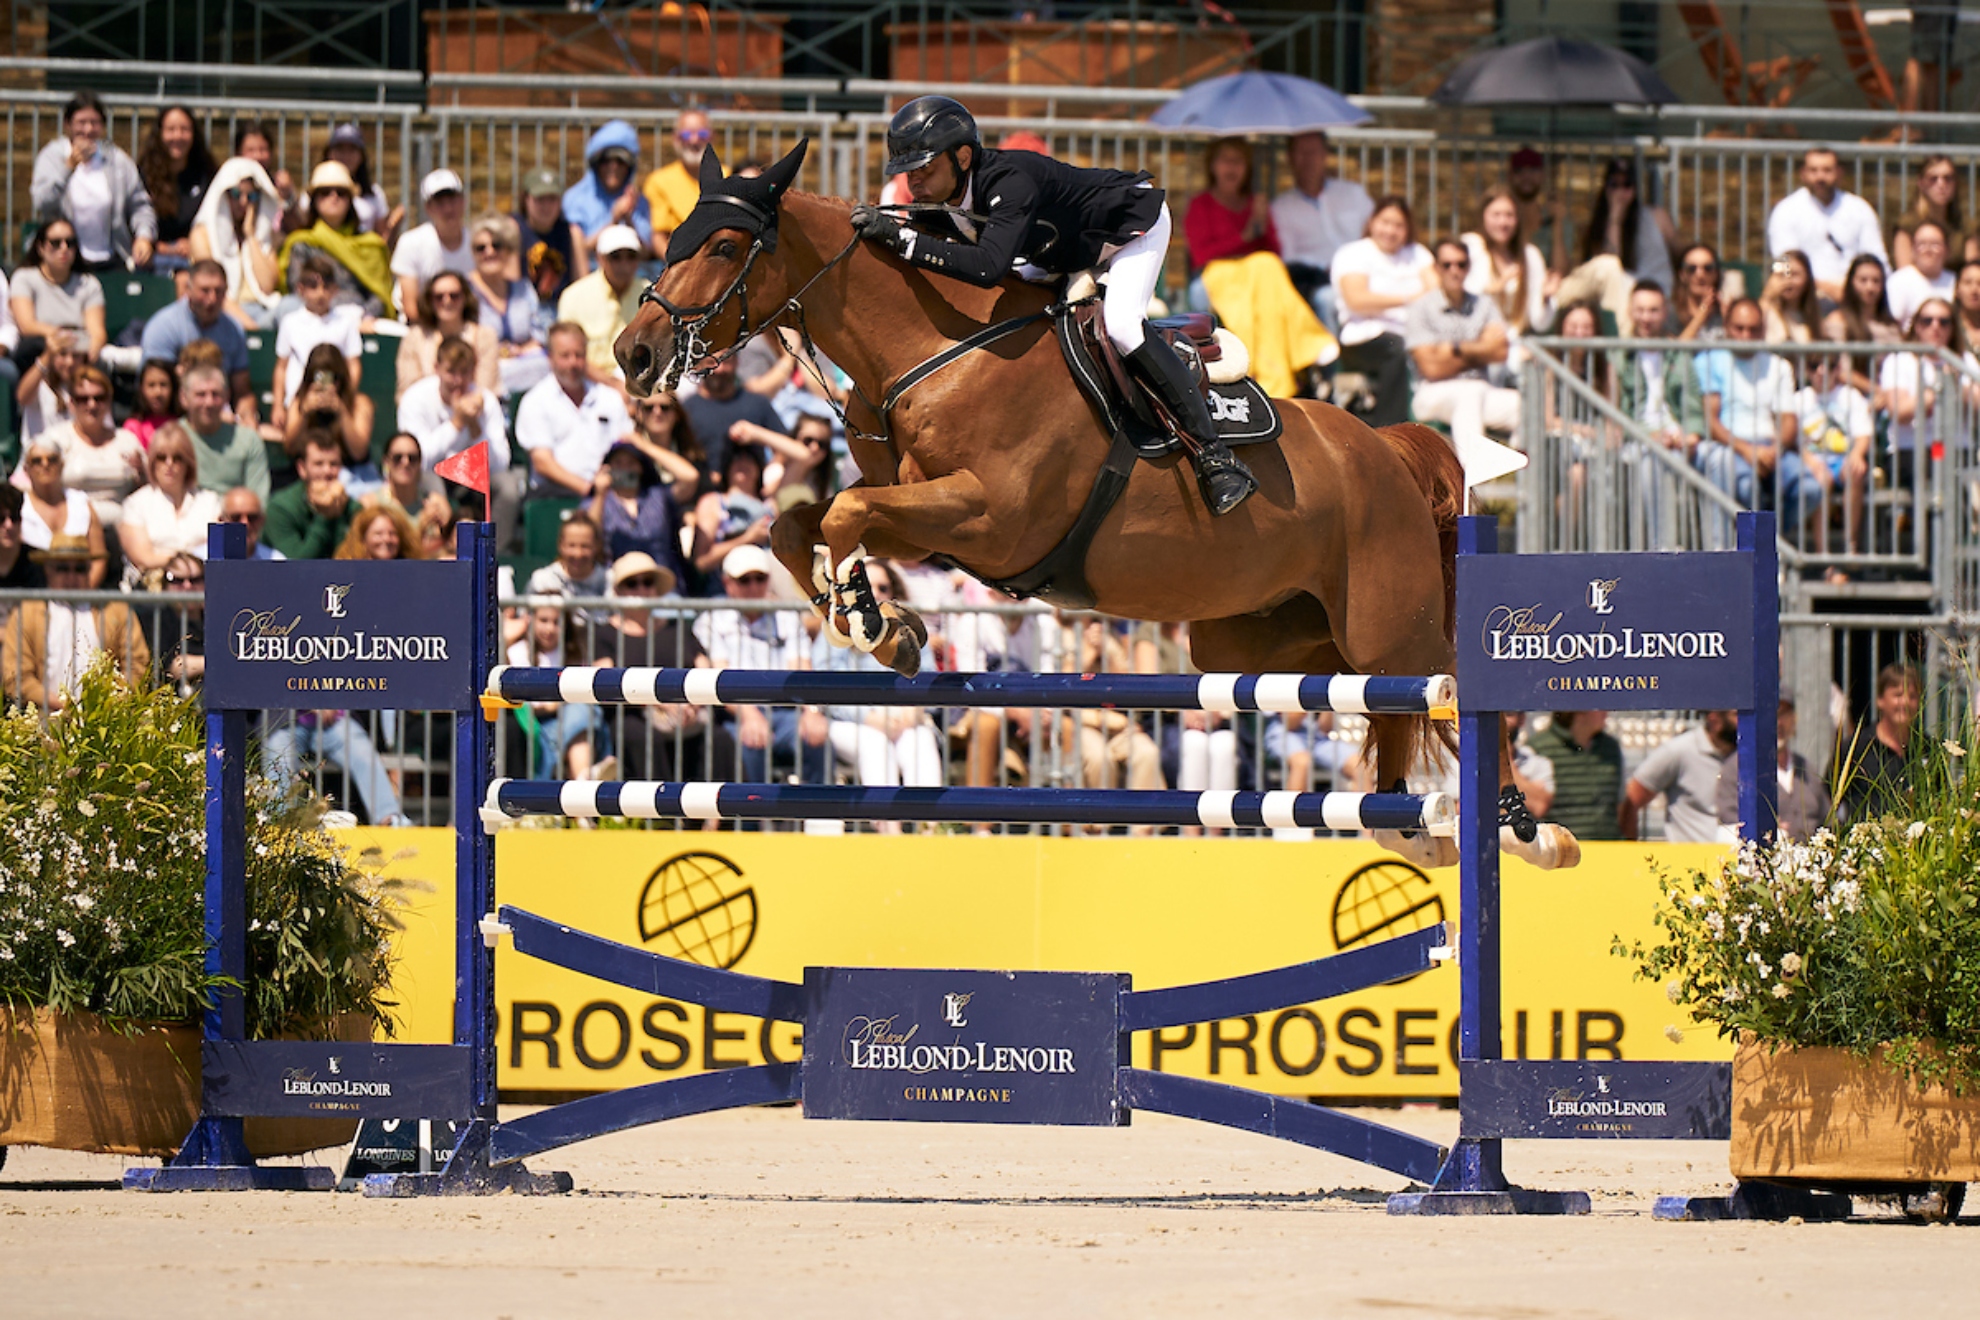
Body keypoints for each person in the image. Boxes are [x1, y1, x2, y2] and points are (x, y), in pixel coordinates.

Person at [848, 95, 1255, 514]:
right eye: (907, 173)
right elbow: (930, 236)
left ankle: (1216, 457)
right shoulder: (953, 195)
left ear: (963, 156)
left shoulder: (1009, 181)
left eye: (925, 170)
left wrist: (902, 239)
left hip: (1130, 228)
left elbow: (988, 267)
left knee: (1122, 327)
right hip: (1063, 248)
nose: (914, 183)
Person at [1182, 137, 1337, 399]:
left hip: (1258, 276)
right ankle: (1306, 344)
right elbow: (1201, 253)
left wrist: (1262, 224)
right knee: (1264, 267)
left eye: (1238, 161)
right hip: (1219, 273)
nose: (1231, 168)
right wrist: (1244, 235)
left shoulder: (1255, 204)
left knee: (1268, 265)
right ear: (1213, 165)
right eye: (1225, 160)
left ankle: (1277, 363)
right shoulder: (1201, 205)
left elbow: (1273, 251)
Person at [695, 543, 828, 784]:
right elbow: (719, 675)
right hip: (736, 712)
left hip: (786, 711)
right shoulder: (712, 619)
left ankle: (821, 819)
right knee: (750, 742)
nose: (754, 586)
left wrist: (813, 711)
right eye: (745, 580)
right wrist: (749, 714)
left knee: (817, 736)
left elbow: (802, 668)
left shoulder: (787, 617)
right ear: (727, 583)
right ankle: (753, 821)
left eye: (760, 578)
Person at [591, 552, 729, 783]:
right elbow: (607, 682)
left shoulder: (677, 628)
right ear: (618, 591)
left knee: (721, 737)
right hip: (633, 713)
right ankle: (663, 816)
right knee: (642, 737)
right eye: (631, 583)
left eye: (648, 582)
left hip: (687, 711)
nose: (641, 589)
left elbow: (704, 669)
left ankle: (721, 816)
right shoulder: (604, 634)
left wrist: (691, 701)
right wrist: (660, 701)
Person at [815, 559, 943, 797]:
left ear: (894, 592)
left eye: (882, 588)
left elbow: (928, 681)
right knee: (873, 741)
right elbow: (826, 689)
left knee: (920, 739)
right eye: (866, 586)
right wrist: (869, 717)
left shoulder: (909, 629)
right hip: (850, 722)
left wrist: (914, 710)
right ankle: (887, 829)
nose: (873, 593)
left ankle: (929, 828)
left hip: (902, 718)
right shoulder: (838, 628)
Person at [1694, 298, 1820, 526]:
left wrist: (1773, 450)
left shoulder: (1779, 365)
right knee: (1746, 486)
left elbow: (1788, 421)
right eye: (1739, 328)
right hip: (1730, 446)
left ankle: (1771, 545)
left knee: (1809, 489)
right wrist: (1747, 450)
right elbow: (1711, 421)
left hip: (1771, 447)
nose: (1746, 336)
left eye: (1753, 329)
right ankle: (1759, 551)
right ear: (1726, 327)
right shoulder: (1710, 361)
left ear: (1763, 330)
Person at [1405, 239, 1522, 468]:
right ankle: (1471, 489)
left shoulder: (1484, 304)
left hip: (1481, 391)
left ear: (1468, 267)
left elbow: (1500, 351)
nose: (1454, 271)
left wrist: (1454, 349)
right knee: (1468, 395)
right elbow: (1431, 368)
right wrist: (1480, 348)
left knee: (1525, 405)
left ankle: (1523, 479)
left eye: (1460, 264)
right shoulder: (1421, 308)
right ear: (1437, 268)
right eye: (1447, 264)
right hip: (1430, 393)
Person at [0, 534, 149, 711]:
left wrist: (106, 702)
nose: (71, 576)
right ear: (48, 569)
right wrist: (59, 704)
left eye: (79, 569)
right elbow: (15, 675)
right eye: (62, 568)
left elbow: (137, 664)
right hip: (44, 720)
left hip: (105, 721)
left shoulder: (115, 610)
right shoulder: (26, 614)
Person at [1329, 195, 1435, 428]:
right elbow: (1357, 300)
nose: (1391, 230)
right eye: (1385, 222)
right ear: (1372, 222)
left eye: (1399, 225)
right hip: (1364, 336)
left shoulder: (1418, 254)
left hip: (1416, 335)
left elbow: (1435, 292)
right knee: (1395, 349)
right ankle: (1392, 429)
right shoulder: (1354, 253)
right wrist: (1409, 298)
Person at [397, 336, 513, 536]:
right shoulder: (415, 398)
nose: (458, 381)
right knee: (427, 477)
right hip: (431, 475)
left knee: (508, 487)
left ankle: (497, 554)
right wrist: (457, 422)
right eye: (451, 372)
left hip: (472, 477)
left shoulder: (486, 400)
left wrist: (474, 425)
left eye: (464, 372)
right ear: (437, 368)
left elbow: (500, 463)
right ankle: (437, 548)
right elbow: (418, 459)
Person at [31, 91, 156, 272]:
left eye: (94, 123)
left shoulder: (117, 160)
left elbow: (140, 205)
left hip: (113, 257)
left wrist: (144, 236)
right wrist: (68, 168)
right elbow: (43, 202)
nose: (88, 130)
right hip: (66, 259)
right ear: (67, 124)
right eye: (81, 123)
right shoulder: (51, 157)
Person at [515, 321, 634, 498]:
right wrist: (589, 490)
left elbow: (626, 447)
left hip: (611, 494)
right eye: (565, 356)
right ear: (550, 358)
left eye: (579, 355)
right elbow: (542, 463)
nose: (573, 363)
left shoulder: (609, 399)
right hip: (553, 497)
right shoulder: (535, 401)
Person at [1270, 130, 1373, 331]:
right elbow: (1289, 258)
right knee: (1327, 300)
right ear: (1290, 158)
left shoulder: (1353, 194)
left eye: (1314, 152)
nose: (1308, 159)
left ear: (1326, 155)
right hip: (1317, 281)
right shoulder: (1281, 208)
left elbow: (1374, 234)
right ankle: (1333, 362)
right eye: (1301, 153)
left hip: (1364, 274)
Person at [1555, 157, 1678, 322]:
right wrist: (1615, 216)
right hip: (1621, 297)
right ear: (1606, 189)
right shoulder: (1599, 223)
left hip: (1655, 296)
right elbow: (1611, 264)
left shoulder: (1657, 217)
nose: (1620, 191)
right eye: (1614, 185)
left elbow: (1681, 254)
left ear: (1635, 190)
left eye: (1627, 185)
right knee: (1608, 265)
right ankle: (1552, 301)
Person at [1793, 318, 1875, 555]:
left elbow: (1863, 434)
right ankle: (1824, 554)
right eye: (1814, 365)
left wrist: (1858, 455)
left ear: (1839, 368)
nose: (1821, 371)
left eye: (1829, 365)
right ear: (1805, 369)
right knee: (1821, 481)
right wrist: (1812, 463)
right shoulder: (1798, 400)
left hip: (1842, 458)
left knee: (1856, 471)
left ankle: (1851, 545)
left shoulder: (1851, 396)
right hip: (1810, 460)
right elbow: (1793, 441)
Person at [138, 259, 256, 422]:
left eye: (218, 291)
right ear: (189, 289)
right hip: (174, 419)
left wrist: (247, 418)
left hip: (222, 414)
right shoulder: (163, 326)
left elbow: (242, 390)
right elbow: (157, 389)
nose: (212, 299)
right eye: (205, 291)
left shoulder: (234, 330)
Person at [276, 161, 394, 321]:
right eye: (325, 192)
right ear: (314, 200)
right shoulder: (301, 243)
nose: (334, 197)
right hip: (310, 320)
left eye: (341, 193)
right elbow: (296, 288)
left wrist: (365, 317)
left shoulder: (370, 245)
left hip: (357, 321)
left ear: (350, 200)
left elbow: (379, 296)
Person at [1767, 148, 1889, 303]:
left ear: (1839, 173)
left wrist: (1852, 289)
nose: (1820, 177)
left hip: (1856, 297)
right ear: (1803, 173)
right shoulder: (1786, 210)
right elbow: (1784, 263)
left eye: (1827, 170)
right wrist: (1828, 289)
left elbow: (1877, 259)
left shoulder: (1860, 209)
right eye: (1813, 170)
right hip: (1804, 297)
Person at [41, 363, 145, 529]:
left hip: (122, 528)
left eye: (99, 398)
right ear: (72, 404)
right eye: (83, 399)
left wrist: (142, 473)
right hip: (71, 527)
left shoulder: (127, 440)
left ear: (109, 401)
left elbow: (145, 491)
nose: (92, 405)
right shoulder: (56, 439)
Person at [118, 422, 221, 586]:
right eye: (161, 457)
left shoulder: (210, 501)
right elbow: (144, 557)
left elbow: (219, 553)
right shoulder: (136, 504)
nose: (169, 464)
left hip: (202, 589)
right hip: (152, 591)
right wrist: (190, 559)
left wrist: (171, 557)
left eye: (177, 458)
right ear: (152, 462)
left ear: (188, 463)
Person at [272, 253, 364, 431]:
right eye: (313, 286)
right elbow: (281, 367)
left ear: (335, 289)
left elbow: (353, 365)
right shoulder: (290, 322)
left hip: (334, 401)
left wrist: (347, 398)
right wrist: (278, 405)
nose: (320, 293)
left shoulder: (346, 323)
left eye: (326, 286)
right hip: (298, 402)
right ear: (301, 289)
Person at [189, 156, 284, 328]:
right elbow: (212, 292)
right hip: (223, 315)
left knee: (291, 306)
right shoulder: (201, 235)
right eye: (236, 194)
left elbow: (267, 286)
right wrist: (252, 330)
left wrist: (250, 235)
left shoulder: (263, 235)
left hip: (262, 312)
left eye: (252, 196)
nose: (244, 202)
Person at [1714, 698, 1828, 841]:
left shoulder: (1806, 767)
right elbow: (1729, 824)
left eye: (1783, 714)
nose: (1778, 723)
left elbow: (1828, 822)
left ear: (1794, 718)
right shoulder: (1737, 769)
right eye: (1771, 714)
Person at [680, 354, 803, 484]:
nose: (719, 369)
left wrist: (773, 474)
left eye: (726, 362)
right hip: (701, 494)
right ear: (699, 365)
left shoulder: (756, 403)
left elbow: (787, 449)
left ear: (737, 362)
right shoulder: (687, 409)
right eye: (711, 363)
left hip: (752, 494)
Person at [1615, 281, 1703, 462]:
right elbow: (1616, 414)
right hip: (1636, 438)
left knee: (1718, 458)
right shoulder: (1619, 356)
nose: (1646, 318)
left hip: (1678, 435)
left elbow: (1693, 404)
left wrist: (1692, 435)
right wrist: (1652, 436)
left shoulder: (1678, 355)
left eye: (1653, 310)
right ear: (1629, 311)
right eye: (1640, 310)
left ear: (1665, 312)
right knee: (1654, 460)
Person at [588, 439, 690, 590]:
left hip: (661, 586)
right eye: (618, 463)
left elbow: (690, 477)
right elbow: (589, 535)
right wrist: (600, 495)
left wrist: (644, 445)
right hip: (615, 587)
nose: (625, 468)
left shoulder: (658, 497)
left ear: (641, 467)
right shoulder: (599, 501)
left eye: (631, 463)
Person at [1622, 710, 1738, 841]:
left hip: (1735, 857)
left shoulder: (1748, 756)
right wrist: (1630, 848)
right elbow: (1632, 799)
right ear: (1714, 719)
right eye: (1736, 715)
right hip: (1687, 857)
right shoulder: (1678, 751)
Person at [555, 223, 645, 389]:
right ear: (599, 258)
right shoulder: (574, 296)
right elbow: (568, 354)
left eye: (631, 256)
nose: (624, 264)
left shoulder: (650, 295)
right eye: (615, 257)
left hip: (641, 380)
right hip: (588, 383)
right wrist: (615, 385)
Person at [468, 213, 547, 396]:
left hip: (526, 363)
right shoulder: (464, 292)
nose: (489, 252)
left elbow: (540, 332)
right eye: (481, 248)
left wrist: (520, 350)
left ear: (508, 250)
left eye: (497, 245)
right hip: (483, 370)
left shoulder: (523, 289)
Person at [135, 105, 216, 280]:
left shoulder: (207, 174)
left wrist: (193, 243)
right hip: (153, 257)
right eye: (171, 130)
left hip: (194, 257)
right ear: (160, 134)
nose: (177, 136)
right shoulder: (142, 174)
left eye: (184, 130)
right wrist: (160, 246)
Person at [1462, 187, 1555, 336]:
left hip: (1518, 344)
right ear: (1483, 216)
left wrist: (1546, 298)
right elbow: (1459, 300)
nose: (1503, 222)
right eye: (1496, 215)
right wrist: (1494, 288)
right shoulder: (1470, 247)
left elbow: (1539, 322)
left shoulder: (1531, 256)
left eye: (1509, 215)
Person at [395, 270, 500, 402]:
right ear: (430, 300)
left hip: (473, 412)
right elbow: (407, 391)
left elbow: (486, 389)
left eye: (454, 296)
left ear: (465, 298)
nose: (447, 301)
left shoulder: (485, 336)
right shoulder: (415, 338)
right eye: (439, 297)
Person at [15, 436, 106, 587]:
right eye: (37, 461)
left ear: (62, 465)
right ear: (26, 469)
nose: (45, 465)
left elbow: (99, 558)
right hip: (32, 595)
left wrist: (81, 595)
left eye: (52, 459)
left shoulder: (82, 504)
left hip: (80, 598)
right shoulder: (18, 508)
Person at [11, 218, 107, 362]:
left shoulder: (89, 284)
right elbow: (27, 325)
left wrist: (93, 349)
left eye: (70, 243)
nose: (64, 248)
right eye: (55, 243)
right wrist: (64, 338)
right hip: (41, 350)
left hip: (80, 351)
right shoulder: (24, 278)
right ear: (40, 248)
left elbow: (97, 331)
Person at [1837, 662, 1923, 822]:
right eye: (1898, 695)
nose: (1905, 702)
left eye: (1912, 696)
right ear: (1880, 700)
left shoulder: (1928, 749)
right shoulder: (1857, 748)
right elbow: (1829, 798)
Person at [1527, 711, 1625, 842]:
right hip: (1559, 852)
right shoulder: (1537, 748)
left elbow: (1620, 804)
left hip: (1608, 851)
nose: (1606, 711)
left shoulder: (1610, 748)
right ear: (1578, 710)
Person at [280, 342, 375, 478]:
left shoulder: (359, 403)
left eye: (331, 378)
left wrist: (342, 412)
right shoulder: (298, 402)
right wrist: (305, 414)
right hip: (310, 472)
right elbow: (289, 448)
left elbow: (359, 452)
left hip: (352, 472)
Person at [177, 363, 269, 501]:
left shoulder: (249, 441)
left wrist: (219, 523)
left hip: (233, 519)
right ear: (184, 398)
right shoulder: (171, 438)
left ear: (227, 396)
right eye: (200, 395)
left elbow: (258, 502)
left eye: (215, 394)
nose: (209, 402)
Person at [564, 120, 652, 263]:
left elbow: (646, 254)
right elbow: (577, 251)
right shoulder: (575, 199)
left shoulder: (639, 202)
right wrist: (614, 220)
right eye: (606, 161)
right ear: (596, 164)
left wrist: (629, 220)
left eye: (620, 161)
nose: (613, 167)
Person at [392, 169, 474, 318]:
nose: (448, 209)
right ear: (428, 208)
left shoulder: (478, 244)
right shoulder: (411, 243)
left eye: (452, 200)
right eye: (440, 203)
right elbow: (410, 306)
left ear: (463, 201)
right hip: (422, 325)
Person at [1881, 295, 1955, 464]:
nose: (1935, 326)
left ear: (1952, 328)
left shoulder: (1962, 360)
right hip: (1911, 449)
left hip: (1956, 447)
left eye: (1943, 322)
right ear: (1917, 326)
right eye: (1927, 321)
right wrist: (1938, 387)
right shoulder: (1898, 360)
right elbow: (1898, 411)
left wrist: (1960, 386)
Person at [265, 428, 356, 559]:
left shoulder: (351, 506)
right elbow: (297, 563)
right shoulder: (280, 508)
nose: (327, 471)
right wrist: (325, 515)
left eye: (334, 464)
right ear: (302, 468)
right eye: (318, 464)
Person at [363, 431, 452, 557]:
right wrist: (419, 528)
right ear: (386, 462)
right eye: (397, 458)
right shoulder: (371, 504)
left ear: (420, 463)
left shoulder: (437, 503)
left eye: (413, 458)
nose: (405, 463)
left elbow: (448, 550)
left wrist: (440, 533)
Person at [642, 109, 714, 248]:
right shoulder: (658, 181)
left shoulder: (728, 175)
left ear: (712, 137)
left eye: (702, 134)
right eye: (686, 135)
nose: (694, 140)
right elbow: (658, 236)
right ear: (675, 139)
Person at [515, 166, 586, 300]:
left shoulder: (572, 232)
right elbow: (511, 287)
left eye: (552, 199)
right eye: (540, 199)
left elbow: (582, 284)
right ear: (526, 199)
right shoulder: (515, 229)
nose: (546, 206)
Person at [320, 122, 399, 239]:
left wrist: (394, 227)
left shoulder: (375, 194)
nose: (346, 156)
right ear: (329, 153)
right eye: (340, 149)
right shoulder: (316, 190)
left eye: (352, 150)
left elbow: (381, 239)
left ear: (362, 156)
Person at [627, 390, 707, 500]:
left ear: (676, 414)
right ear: (639, 414)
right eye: (649, 408)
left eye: (665, 407)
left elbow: (694, 481)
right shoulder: (629, 453)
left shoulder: (692, 453)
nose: (657, 412)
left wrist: (644, 446)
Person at [1891, 154, 1963, 272]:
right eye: (1933, 179)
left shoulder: (1964, 225)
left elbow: (1972, 272)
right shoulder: (1907, 225)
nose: (1941, 184)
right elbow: (1904, 274)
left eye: (1948, 178)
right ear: (1921, 183)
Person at [1506, 145, 1570, 276]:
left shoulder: (1556, 216)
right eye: (1519, 170)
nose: (1526, 176)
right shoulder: (1502, 219)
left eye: (1533, 170)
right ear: (1510, 176)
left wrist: (1556, 224)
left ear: (1542, 175)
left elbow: (1561, 271)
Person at [1886, 219, 1955, 332]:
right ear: (1913, 249)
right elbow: (1893, 325)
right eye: (1922, 244)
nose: (1928, 250)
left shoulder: (1955, 281)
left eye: (1935, 244)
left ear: (1947, 250)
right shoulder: (1899, 281)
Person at [16, 331, 84, 443]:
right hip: (40, 455)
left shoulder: (90, 391)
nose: (69, 362)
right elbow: (22, 397)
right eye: (62, 354)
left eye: (76, 356)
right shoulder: (39, 386)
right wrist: (47, 356)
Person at [525, 511, 609, 598]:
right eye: (571, 546)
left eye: (585, 546)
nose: (578, 554)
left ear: (596, 546)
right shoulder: (543, 580)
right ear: (560, 546)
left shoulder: (610, 582)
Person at [1758, 250, 1822, 344]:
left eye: (1794, 274)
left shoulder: (1815, 316)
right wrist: (1768, 295)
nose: (1787, 281)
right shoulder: (1768, 310)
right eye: (1782, 274)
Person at [1670, 243, 1731, 341]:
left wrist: (1729, 320)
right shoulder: (1671, 312)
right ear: (1682, 275)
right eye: (1691, 269)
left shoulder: (1726, 311)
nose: (1700, 275)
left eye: (1708, 268)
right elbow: (1676, 352)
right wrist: (1702, 312)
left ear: (1716, 274)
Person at [333, 501, 422, 563]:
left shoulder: (410, 573)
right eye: (378, 534)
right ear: (363, 538)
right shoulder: (348, 572)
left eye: (392, 533)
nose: (387, 539)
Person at [125, 358, 180, 450]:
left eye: (163, 385)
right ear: (142, 389)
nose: (158, 392)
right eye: (151, 385)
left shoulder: (182, 424)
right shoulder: (134, 427)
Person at [219, 485, 284, 561]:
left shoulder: (276, 562)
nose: (245, 523)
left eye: (252, 517)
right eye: (236, 517)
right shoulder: (203, 562)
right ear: (222, 520)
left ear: (262, 520)